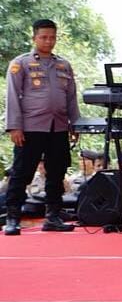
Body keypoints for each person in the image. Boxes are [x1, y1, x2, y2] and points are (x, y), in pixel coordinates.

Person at [5, 19, 80, 235]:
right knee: (22, 173)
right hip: (30, 127)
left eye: (52, 37)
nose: (48, 41)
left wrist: (74, 124)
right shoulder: (21, 63)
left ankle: (53, 216)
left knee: (57, 172)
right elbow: (12, 97)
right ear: (34, 38)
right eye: (44, 37)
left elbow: (71, 97)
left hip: (58, 127)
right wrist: (14, 127)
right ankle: (12, 218)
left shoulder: (63, 65)